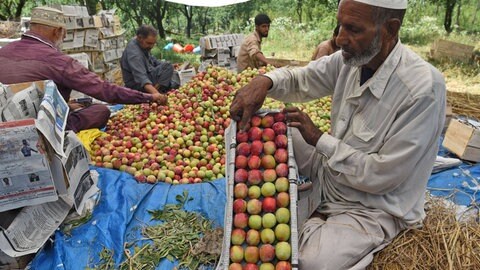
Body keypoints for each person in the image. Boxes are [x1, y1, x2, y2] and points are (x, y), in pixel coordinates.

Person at [230, 0, 446, 269]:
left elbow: (382, 175)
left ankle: (315, 215)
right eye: (340, 25)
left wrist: (320, 139)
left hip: (370, 205)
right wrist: (266, 82)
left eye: (353, 29)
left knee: (313, 263)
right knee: (270, 124)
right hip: (331, 172)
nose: (340, 38)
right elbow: (303, 78)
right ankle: (310, 206)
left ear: (390, 29)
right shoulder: (351, 60)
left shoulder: (422, 89)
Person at [0, 6, 167, 133]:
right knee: (100, 111)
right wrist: (149, 97)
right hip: (38, 129)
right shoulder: (58, 61)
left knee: (75, 105)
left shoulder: (4, 51)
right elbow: (104, 89)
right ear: (58, 31)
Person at [121, 25, 179, 94]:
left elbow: (153, 61)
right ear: (140, 38)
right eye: (149, 43)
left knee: (172, 72)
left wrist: (166, 66)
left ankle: (159, 90)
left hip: (149, 74)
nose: (151, 46)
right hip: (137, 85)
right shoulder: (134, 54)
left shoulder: (141, 44)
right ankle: (153, 93)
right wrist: (155, 95)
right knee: (168, 68)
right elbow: (142, 78)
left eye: (153, 44)